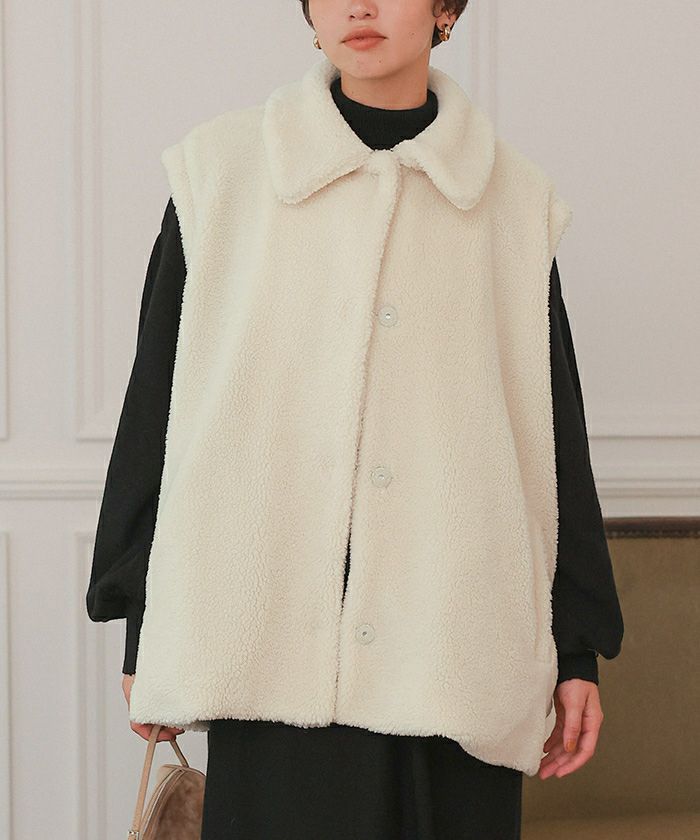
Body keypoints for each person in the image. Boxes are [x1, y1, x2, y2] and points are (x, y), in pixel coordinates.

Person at [86, 2, 624, 837]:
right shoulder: (222, 174)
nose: (359, 6)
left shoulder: (513, 202)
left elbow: (549, 428)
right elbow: (158, 403)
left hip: (456, 642)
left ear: (445, 9)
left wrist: (576, 643)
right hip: (266, 648)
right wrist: (143, 627)